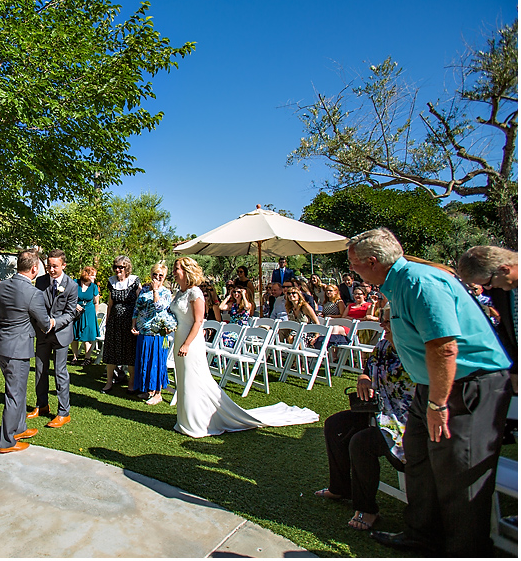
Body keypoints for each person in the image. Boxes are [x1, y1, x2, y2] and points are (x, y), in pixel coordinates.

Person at [346, 228, 512, 556]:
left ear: (373, 262)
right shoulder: (397, 284)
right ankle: (421, 535)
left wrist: (437, 402)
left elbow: (444, 346)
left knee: (459, 473)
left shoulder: (418, 282)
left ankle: (466, 550)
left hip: (465, 387)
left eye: (354, 264)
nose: (352, 271)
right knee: (419, 461)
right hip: (432, 386)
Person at [168, 256, 318, 438]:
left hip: (190, 341)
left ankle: (198, 422)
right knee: (183, 377)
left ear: (186, 271)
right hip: (179, 337)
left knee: (194, 377)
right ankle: (185, 419)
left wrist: (186, 343)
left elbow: (199, 321)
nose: (174, 272)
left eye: (176, 268)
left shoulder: (195, 293)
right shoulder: (179, 293)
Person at [314, 309, 413, 532]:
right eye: (383, 320)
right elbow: (366, 371)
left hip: (404, 420)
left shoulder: (417, 352)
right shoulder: (383, 347)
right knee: (335, 425)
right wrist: (364, 379)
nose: (383, 325)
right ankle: (339, 488)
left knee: (361, 442)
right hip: (377, 410)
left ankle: (367, 509)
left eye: (388, 321)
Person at [0, 249, 54, 454]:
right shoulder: (33, 293)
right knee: (14, 394)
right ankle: (7, 442)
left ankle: (20, 428)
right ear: (34, 268)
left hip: (1, 344)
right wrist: (53, 321)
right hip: (17, 348)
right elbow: (44, 324)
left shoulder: (2, 286)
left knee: (19, 389)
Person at [28, 250, 78, 428]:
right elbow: (35, 304)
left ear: (63, 265)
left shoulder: (71, 286)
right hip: (42, 333)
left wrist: (54, 322)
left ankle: (64, 413)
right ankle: (42, 405)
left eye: (54, 266)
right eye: (49, 266)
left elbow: (71, 313)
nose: (50, 269)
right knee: (40, 371)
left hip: (61, 335)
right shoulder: (40, 281)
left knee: (60, 373)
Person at [457, 245, 517, 391]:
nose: (488, 289)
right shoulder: (501, 291)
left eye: (488, 283)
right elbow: (507, 330)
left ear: (504, 269)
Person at [131, 262, 172, 405]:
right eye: (155, 274)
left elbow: (160, 308)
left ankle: (158, 392)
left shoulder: (166, 292)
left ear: (165, 277)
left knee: (156, 362)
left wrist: (155, 291)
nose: (157, 277)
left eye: (161, 275)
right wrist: (134, 324)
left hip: (157, 332)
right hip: (143, 330)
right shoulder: (144, 290)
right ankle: (148, 389)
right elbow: (137, 308)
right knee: (145, 361)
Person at [102, 255, 141, 393]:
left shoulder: (134, 281)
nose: (117, 270)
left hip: (130, 321)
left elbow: (139, 302)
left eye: (121, 267)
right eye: (116, 267)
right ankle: (109, 382)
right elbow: (110, 303)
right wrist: (107, 321)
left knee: (130, 352)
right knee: (111, 351)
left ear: (127, 268)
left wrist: (135, 322)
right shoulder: (111, 281)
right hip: (114, 322)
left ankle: (131, 383)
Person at [70, 266, 100, 366]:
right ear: (86, 275)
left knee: (88, 335)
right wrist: (74, 305)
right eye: (93, 276)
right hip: (76, 311)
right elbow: (67, 296)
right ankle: (75, 357)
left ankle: (87, 358)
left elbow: (96, 302)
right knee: (74, 334)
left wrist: (94, 314)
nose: (94, 278)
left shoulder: (94, 287)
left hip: (89, 312)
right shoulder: (75, 282)